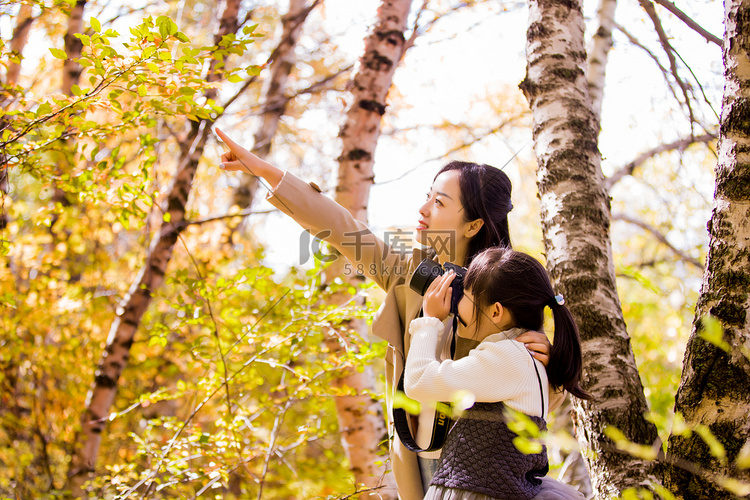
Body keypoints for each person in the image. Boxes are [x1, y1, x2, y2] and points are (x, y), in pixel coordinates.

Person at [214, 128, 562, 499]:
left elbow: (539, 399)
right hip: (417, 460)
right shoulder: (410, 273)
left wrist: (547, 362)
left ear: (473, 225)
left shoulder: (507, 295)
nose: (423, 210)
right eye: (427, 197)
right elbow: (342, 229)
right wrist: (263, 170)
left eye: (440, 203)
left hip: (481, 475)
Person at [405, 247, 589, 500]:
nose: (457, 303)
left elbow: (418, 381)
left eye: (465, 294)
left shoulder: (509, 357)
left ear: (495, 312)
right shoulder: (519, 356)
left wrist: (429, 320)